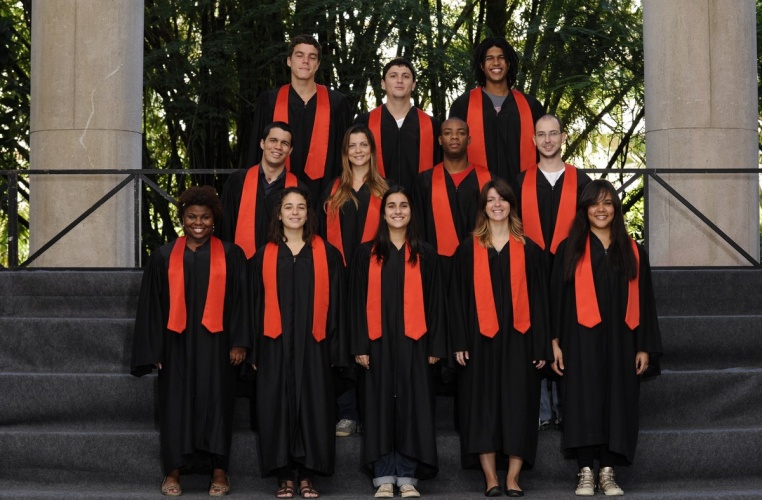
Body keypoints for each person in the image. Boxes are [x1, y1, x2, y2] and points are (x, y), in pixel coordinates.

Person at [131, 186, 250, 497]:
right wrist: (155, 349)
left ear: (214, 220)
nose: (198, 223)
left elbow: (242, 301)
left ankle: (220, 471)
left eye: (205, 217)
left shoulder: (232, 254)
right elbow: (152, 307)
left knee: (218, 403)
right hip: (176, 344)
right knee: (175, 406)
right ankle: (173, 471)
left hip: (218, 344)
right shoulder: (163, 256)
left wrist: (239, 342)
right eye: (192, 217)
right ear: (182, 218)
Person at [550, 180, 662, 496]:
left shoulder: (634, 251)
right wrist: (554, 342)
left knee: (617, 401)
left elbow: (645, 301)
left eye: (608, 203)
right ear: (584, 209)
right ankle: (586, 471)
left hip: (621, 340)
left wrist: (643, 346)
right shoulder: (569, 249)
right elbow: (555, 299)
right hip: (579, 340)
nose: (601, 209)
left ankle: (608, 472)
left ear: (616, 208)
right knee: (582, 400)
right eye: (594, 203)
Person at [449, 179, 551, 497]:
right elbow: (456, 300)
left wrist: (541, 344)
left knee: (519, 405)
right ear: (483, 207)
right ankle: (491, 477)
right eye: (490, 200)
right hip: (479, 341)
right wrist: (459, 341)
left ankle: (514, 477)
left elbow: (541, 301)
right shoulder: (467, 250)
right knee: (482, 406)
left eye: (502, 199)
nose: (497, 204)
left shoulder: (530, 250)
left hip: (520, 341)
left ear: (511, 205)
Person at [349, 186, 447, 498]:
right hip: (376, 343)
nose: (397, 211)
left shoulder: (425, 254)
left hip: (415, 343)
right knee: (378, 407)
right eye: (391, 206)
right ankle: (383, 477)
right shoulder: (365, 254)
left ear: (411, 212)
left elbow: (436, 303)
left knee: (412, 407)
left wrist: (435, 346)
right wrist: (360, 345)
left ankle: (406, 476)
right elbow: (355, 303)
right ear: (383, 213)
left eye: (404, 205)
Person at [250, 186, 345, 499]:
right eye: (288, 207)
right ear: (279, 214)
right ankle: (283, 476)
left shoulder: (327, 254)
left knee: (313, 407)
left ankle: (307, 475)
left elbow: (338, 305)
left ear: (308, 214)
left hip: (315, 345)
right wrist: (255, 348)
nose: (294, 212)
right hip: (274, 345)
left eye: (301, 207)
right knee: (276, 408)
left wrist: (335, 347)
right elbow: (253, 305)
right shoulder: (264, 255)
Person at [512, 114, 592, 430]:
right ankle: (541, 407)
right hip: (530, 270)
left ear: (563, 137)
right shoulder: (519, 182)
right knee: (533, 333)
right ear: (533, 140)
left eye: (553, 134)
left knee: (565, 331)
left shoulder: (582, 181)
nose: (547, 140)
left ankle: (565, 404)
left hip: (570, 270)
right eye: (541, 135)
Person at [318, 124, 389, 438]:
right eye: (352, 146)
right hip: (339, 278)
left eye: (364, 145)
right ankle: (347, 413)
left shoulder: (386, 190)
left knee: (373, 344)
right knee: (344, 346)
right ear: (345, 152)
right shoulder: (332, 189)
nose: (358, 151)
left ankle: (374, 412)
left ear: (372, 150)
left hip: (376, 279)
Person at [246, 34, 351, 204]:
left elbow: (346, 155)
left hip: (326, 195)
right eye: (299, 55)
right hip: (277, 195)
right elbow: (255, 152)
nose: (305, 61)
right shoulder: (269, 101)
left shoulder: (337, 104)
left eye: (312, 57)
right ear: (289, 61)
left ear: (318, 64)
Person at [449, 37, 544, 183]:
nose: (496, 63)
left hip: (523, 190)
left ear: (508, 64)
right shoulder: (463, 106)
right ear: (482, 66)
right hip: (475, 191)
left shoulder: (531, 106)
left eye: (501, 58)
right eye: (489, 58)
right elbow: (452, 154)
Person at [414, 117, 491, 281]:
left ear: (469, 140)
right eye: (448, 133)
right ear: (440, 140)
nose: (454, 137)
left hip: (479, 265)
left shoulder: (488, 181)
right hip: (437, 269)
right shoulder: (424, 182)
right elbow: (418, 229)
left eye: (461, 133)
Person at [218, 121, 303, 260]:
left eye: (284, 143)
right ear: (262, 143)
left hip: (281, 266)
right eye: (273, 140)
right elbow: (224, 227)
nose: (278, 147)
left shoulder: (298, 189)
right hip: (240, 264)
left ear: (290, 150)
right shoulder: (237, 182)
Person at [355, 57, 441, 191]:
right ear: (383, 84)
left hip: (420, 199)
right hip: (375, 198)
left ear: (413, 85)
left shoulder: (432, 125)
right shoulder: (364, 122)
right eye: (393, 76)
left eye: (405, 76)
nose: (399, 80)